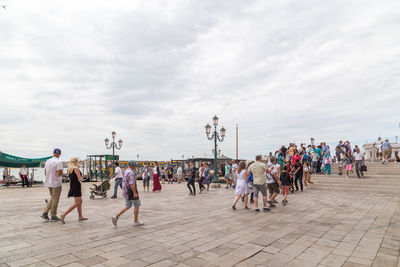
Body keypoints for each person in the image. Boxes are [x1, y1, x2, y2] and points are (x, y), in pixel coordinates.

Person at [112, 161, 144, 227]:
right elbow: (131, 184)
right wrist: (135, 193)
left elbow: (134, 178)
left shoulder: (126, 171)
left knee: (128, 205)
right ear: (132, 166)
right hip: (131, 192)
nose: (135, 167)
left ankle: (116, 216)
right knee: (136, 205)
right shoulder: (131, 173)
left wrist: (141, 173)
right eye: (135, 165)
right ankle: (136, 221)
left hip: (125, 191)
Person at [60, 157, 88, 223]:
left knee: (80, 201)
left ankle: (80, 216)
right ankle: (63, 215)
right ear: (76, 161)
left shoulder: (70, 169)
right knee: (77, 203)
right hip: (77, 186)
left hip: (73, 185)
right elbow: (79, 179)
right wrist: (83, 177)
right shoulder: (76, 168)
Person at [41, 148, 63, 222]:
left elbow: (45, 173)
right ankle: (53, 215)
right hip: (56, 183)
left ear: (53, 153)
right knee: (55, 200)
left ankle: (45, 213)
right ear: (59, 154)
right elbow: (59, 173)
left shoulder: (47, 161)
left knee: (53, 198)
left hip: (49, 182)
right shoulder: (59, 162)